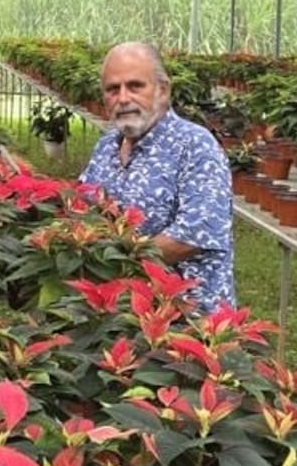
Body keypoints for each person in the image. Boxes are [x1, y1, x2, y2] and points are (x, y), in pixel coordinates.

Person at [77, 40, 236, 312]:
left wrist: (106, 262)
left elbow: (191, 237)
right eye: (112, 89)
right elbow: (80, 208)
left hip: (187, 323)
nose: (123, 98)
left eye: (135, 86)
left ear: (163, 90)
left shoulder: (195, 146)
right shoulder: (107, 145)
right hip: (118, 315)